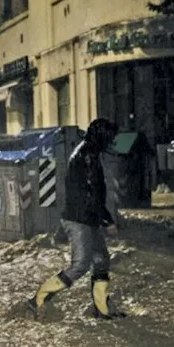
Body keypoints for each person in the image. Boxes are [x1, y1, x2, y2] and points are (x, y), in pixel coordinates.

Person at [28, 118, 124, 320]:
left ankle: (102, 310)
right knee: (80, 265)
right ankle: (37, 299)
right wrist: (108, 222)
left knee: (101, 260)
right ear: (102, 138)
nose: (112, 143)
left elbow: (93, 194)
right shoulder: (87, 155)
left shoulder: (88, 151)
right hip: (80, 219)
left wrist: (101, 219)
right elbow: (92, 194)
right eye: (110, 138)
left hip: (88, 217)